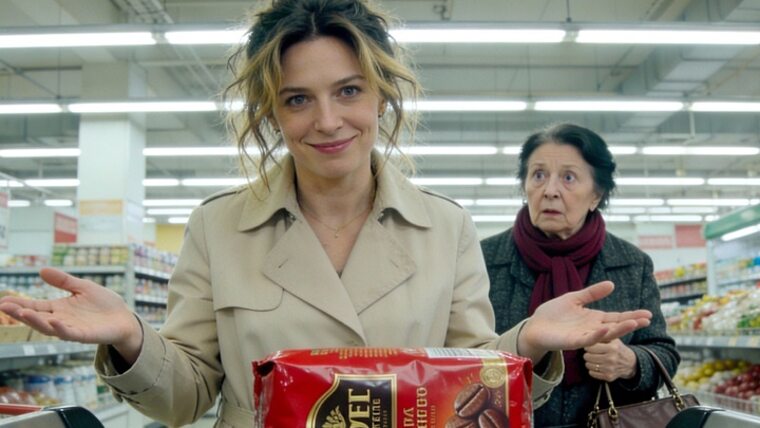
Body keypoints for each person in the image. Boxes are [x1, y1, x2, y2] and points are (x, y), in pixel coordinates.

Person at [0, 2, 652, 427]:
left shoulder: (444, 227)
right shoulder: (219, 228)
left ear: (381, 96)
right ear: (271, 112)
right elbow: (187, 396)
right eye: (297, 100)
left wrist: (527, 343)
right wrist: (133, 340)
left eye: (348, 91)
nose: (328, 121)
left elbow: (468, 383)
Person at [481, 122, 679, 427]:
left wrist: (629, 362)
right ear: (524, 185)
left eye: (568, 178)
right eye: (538, 175)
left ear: (596, 194)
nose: (550, 191)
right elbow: (462, 353)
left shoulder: (632, 263)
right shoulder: (484, 259)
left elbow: (663, 352)